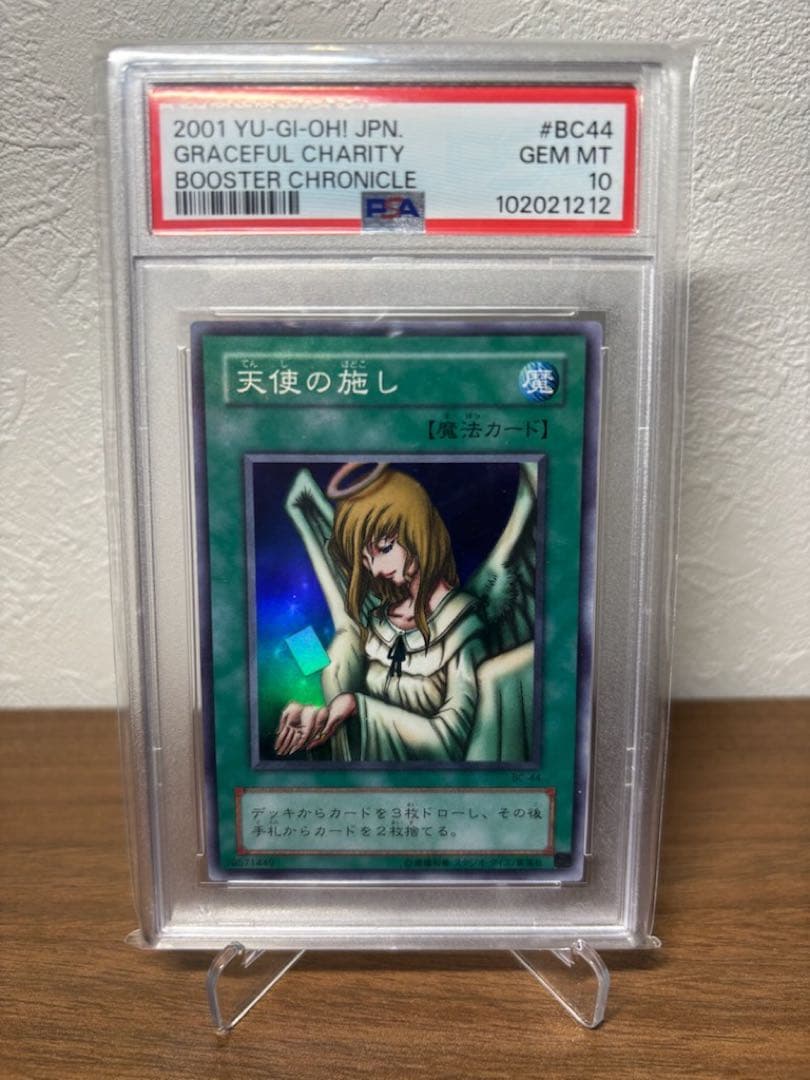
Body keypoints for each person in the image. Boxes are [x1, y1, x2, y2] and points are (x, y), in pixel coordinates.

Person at [274, 465, 487, 761]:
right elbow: (343, 694)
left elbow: (451, 743)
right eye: (365, 559)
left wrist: (356, 707)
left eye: (385, 548)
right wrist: (318, 719)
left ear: (418, 531)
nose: (374, 570)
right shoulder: (377, 621)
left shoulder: (463, 623)